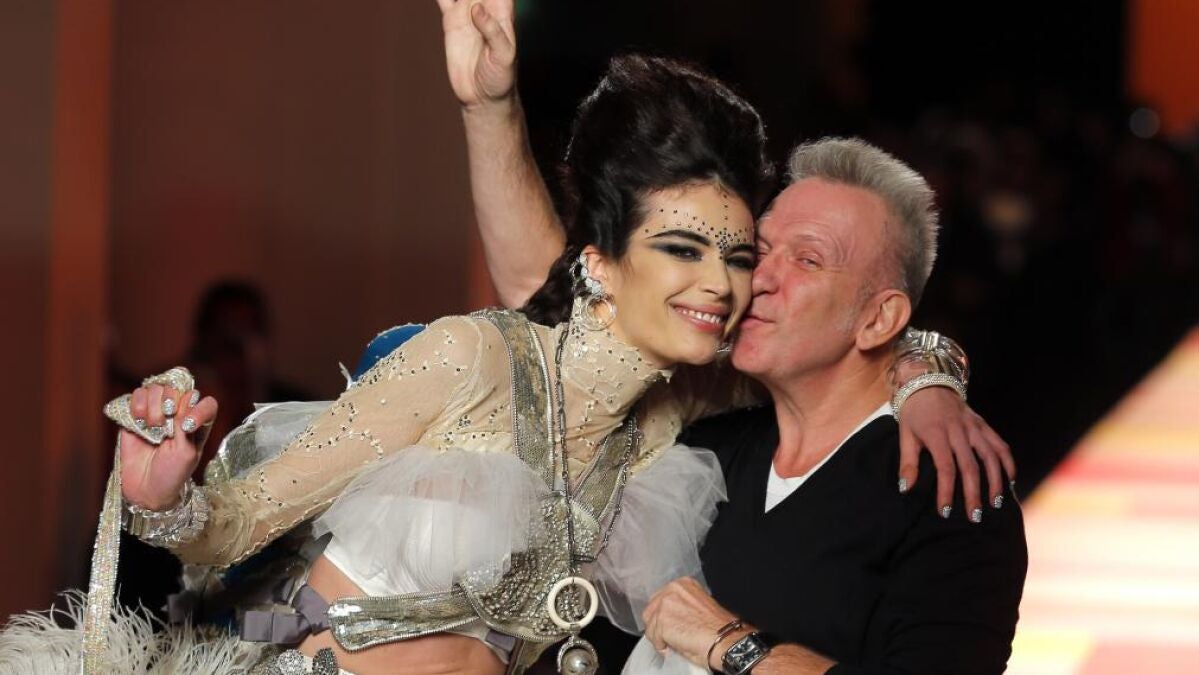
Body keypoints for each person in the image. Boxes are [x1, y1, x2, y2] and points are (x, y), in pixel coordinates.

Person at [447, 4, 1028, 673]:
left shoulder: (951, 489)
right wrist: (488, 109)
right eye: (759, 250)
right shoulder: (707, 427)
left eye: (807, 260)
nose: (759, 279)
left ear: (878, 319)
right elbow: (552, 294)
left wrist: (731, 643)